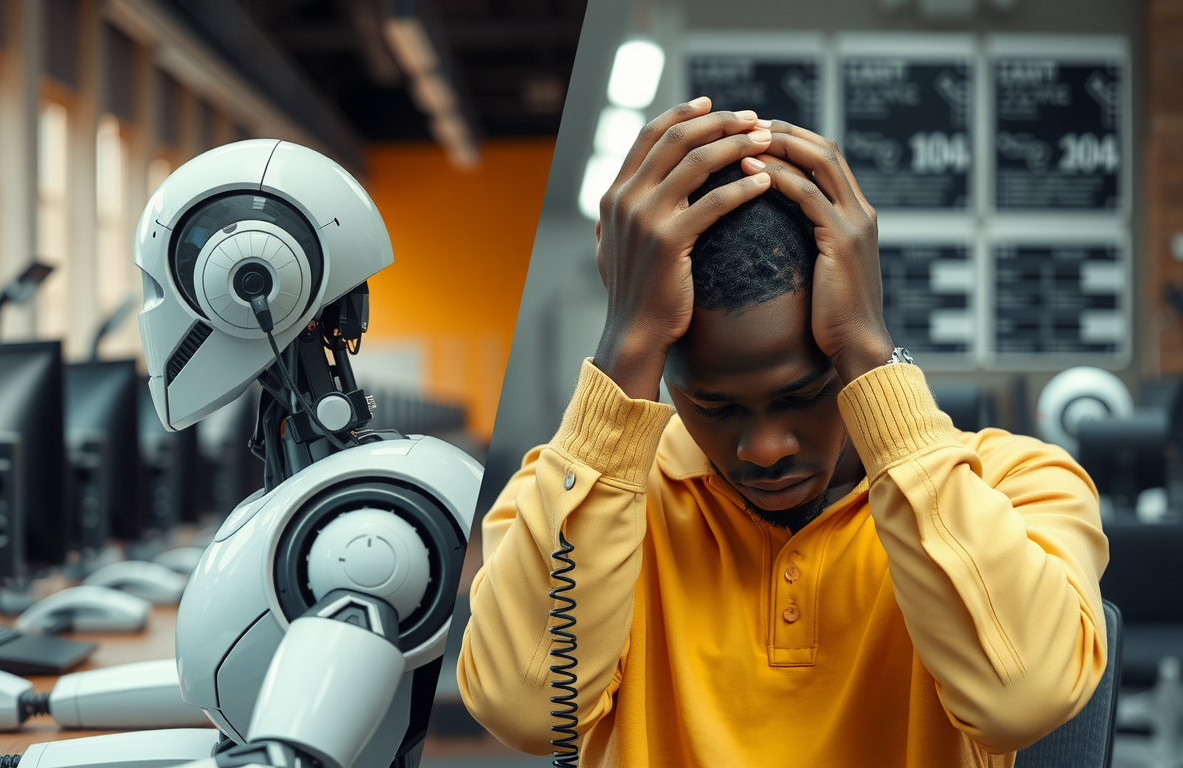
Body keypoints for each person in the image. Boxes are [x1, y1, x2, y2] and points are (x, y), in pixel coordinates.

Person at [456, 97, 1109, 768]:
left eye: (804, 396)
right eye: (714, 407)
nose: (765, 450)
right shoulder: (571, 493)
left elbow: (1023, 701)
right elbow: (528, 714)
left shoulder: (1020, 484)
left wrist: (869, 348)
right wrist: (629, 343)